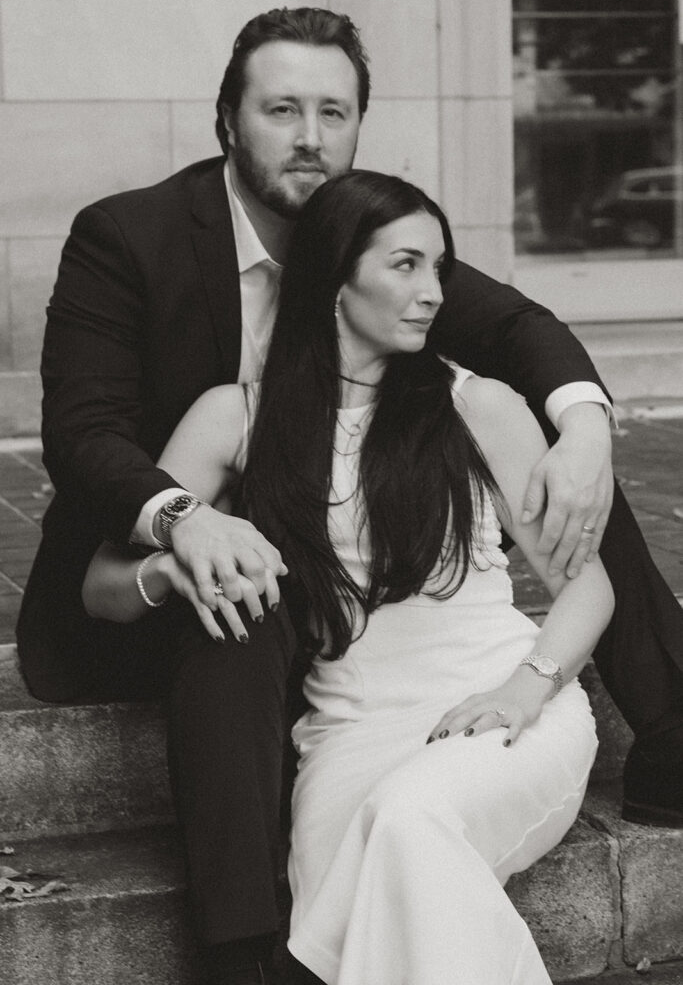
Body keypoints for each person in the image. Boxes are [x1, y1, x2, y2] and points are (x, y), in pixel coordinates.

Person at [14, 2, 682, 984]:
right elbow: (85, 435)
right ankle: (243, 946)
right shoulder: (132, 240)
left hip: (404, 639)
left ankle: (663, 718)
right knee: (241, 598)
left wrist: (583, 427)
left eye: (334, 112)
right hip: (217, 582)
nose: (310, 136)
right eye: (282, 109)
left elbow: (519, 328)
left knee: (559, 466)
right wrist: (180, 521)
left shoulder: (379, 251)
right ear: (228, 118)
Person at [82, 170, 616, 985]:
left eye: (438, 266)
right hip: (349, 731)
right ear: (333, 275)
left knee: (409, 822)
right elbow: (103, 587)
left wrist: (527, 687)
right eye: (404, 264)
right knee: (347, 898)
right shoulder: (235, 417)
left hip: (502, 704)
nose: (432, 291)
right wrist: (173, 562)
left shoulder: (479, 406)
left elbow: (590, 587)